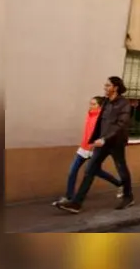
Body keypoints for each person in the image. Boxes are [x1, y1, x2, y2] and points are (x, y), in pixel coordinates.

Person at [57, 76, 135, 213]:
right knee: (90, 170)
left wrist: (105, 139)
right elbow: (99, 122)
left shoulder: (124, 104)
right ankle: (76, 203)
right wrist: (95, 139)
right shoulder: (105, 102)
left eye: (107, 85)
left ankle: (128, 196)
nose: (105, 88)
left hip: (115, 142)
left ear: (115, 88)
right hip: (101, 142)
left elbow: (121, 125)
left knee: (121, 169)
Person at [53, 96, 123, 207]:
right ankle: (69, 196)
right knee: (73, 171)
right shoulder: (89, 115)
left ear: (100, 106)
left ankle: (120, 184)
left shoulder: (102, 119)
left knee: (96, 171)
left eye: (93, 104)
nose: (90, 106)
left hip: (94, 150)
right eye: (90, 103)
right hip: (83, 148)